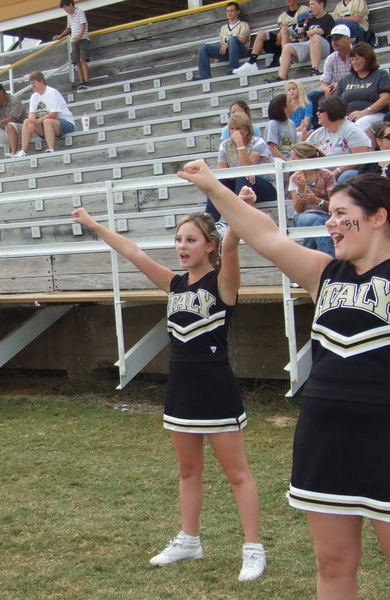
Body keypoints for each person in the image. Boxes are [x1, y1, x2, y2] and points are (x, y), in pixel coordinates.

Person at [178, 159, 390, 600]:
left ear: (378, 218)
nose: (330, 223)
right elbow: (265, 234)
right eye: (330, 213)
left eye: (341, 214)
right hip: (324, 436)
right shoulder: (324, 274)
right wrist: (213, 186)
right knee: (331, 564)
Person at [70, 205, 265, 581]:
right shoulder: (174, 284)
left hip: (216, 388)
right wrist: (95, 225)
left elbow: (234, 250)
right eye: (178, 239)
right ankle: (189, 539)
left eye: (190, 240)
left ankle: (253, 547)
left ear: (209, 246)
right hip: (181, 389)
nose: (182, 246)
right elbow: (134, 253)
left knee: (237, 473)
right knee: (188, 471)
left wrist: (239, 216)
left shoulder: (222, 282)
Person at [206, 112, 276, 221]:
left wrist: (240, 144)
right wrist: (242, 174)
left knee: (243, 178)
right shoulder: (225, 145)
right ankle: (209, 225)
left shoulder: (258, 143)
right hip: (239, 183)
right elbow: (223, 172)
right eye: (232, 129)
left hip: (264, 186)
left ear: (247, 130)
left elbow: (248, 167)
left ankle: (239, 221)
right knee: (218, 183)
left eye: (238, 128)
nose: (234, 132)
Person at [265, 0, 334, 83]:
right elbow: (302, 40)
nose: (310, 7)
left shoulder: (328, 18)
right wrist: (301, 24)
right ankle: (281, 77)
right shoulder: (311, 20)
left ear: (321, 5)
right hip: (310, 46)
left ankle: (315, 69)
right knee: (287, 47)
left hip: (324, 46)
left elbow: (320, 31)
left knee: (315, 37)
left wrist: (305, 33)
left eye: (313, 4)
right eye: (309, 4)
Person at [307, 95, 371, 183]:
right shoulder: (316, 134)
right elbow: (302, 155)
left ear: (332, 110)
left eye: (321, 111)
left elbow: (361, 158)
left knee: (348, 175)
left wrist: (337, 171)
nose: (317, 113)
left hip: (343, 174)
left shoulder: (352, 131)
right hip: (320, 175)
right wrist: (301, 141)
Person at [336, 42, 390, 141]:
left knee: (362, 123)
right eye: (352, 59)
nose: (353, 62)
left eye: (357, 59)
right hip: (348, 117)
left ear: (367, 58)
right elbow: (336, 102)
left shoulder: (381, 75)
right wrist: (342, 116)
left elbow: (385, 98)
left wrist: (365, 112)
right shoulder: (345, 80)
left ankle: (369, 153)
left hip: (375, 114)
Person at [287, 141, 336, 255]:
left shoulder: (326, 175)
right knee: (317, 221)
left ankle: (306, 260)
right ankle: (332, 261)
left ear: (304, 158)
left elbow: (333, 207)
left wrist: (317, 201)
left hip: (324, 215)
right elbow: (299, 210)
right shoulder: (295, 178)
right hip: (302, 217)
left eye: (294, 158)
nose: (291, 161)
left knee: (316, 226)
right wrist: (300, 189)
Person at [234, 0, 308, 74]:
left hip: (299, 40)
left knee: (284, 30)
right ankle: (251, 62)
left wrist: (292, 35)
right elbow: (282, 29)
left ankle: (285, 58)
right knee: (261, 33)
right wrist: (281, 35)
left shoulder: (304, 9)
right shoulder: (283, 16)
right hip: (284, 42)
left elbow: (307, 25)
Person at [15, 71, 75, 157]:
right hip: (45, 126)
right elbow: (31, 113)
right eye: (31, 84)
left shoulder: (52, 92)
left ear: (41, 81)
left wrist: (38, 121)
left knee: (47, 121)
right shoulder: (34, 97)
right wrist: (32, 121)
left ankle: (51, 148)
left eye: (34, 83)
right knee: (27, 121)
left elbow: (54, 114)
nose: (32, 86)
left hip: (65, 122)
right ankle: (23, 151)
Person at [307, 24, 353, 129]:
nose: (334, 42)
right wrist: (327, 90)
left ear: (347, 39)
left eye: (337, 39)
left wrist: (339, 85)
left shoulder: (358, 54)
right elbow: (323, 84)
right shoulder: (331, 58)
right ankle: (317, 128)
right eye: (332, 39)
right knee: (313, 95)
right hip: (336, 92)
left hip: (352, 90)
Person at [195, 2, 250, 80]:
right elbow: (222, 46)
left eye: (232, 10)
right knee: (203, 48)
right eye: (227, 11)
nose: (229, 13)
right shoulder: (223, 28)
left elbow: (244, 40)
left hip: (241, 52)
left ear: (238, 12)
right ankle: (205, 76)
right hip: (227, 54)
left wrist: (228, 44)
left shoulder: (243, 24)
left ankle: (233, 68)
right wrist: (218, 57)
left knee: (232, 39)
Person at [53, 0, 92, 90]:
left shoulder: (80, 12)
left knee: (83, 59)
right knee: (76, 61)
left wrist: (79, 36)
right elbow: (68, 28)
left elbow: (83, 25)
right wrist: (60, 36)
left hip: (83, 39)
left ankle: (87, 81)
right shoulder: (69, 16)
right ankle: (82, 81)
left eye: (66, 8)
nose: (66, 10)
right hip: (74, 40)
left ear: (70, 4)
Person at [266, 93, 298, 161]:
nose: (293, 102)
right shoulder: (273, 124)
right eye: (290, 101)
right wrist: (287, 162)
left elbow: (294, 147)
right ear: (284, 109)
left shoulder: (291, 123)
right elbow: (272, 149)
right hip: (279, 162)